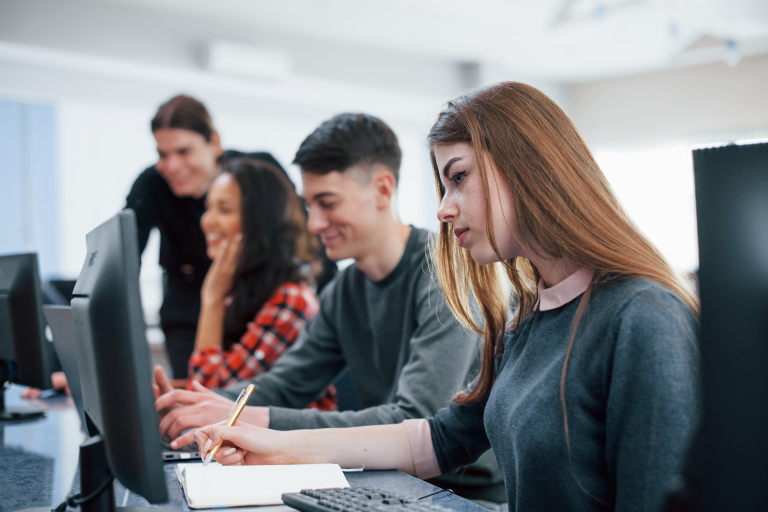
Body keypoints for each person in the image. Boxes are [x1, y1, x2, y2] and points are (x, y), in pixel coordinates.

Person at [192, 83, 701, 512]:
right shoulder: (530, 316)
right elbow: (438, 439)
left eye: (458, 178)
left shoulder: (643, 317)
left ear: (527, 168)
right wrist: (276, 449)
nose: (443, 209)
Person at [154, 113, 504, 502]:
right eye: (309, 206)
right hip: (382, 479)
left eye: (327, 203)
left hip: (459, 491)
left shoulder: (444, 271)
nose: (314, 223)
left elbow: (417, 418)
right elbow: (286, 383)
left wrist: (254, 419)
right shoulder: (345, 289)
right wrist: (206, 407)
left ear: (383, 190)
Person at [126, 95, 336, 379]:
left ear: (214, 142)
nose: (172, 166)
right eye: (163, 155)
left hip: (258, 300)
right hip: (190, 312)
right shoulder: (152, 185)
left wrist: (325, 321)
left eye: (184, 151)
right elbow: (122, 264)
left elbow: (304, 236)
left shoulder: (255, 175)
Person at [188, 157, 336, 410]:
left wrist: (211, 301)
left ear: (259, 221)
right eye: (208, 207)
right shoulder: (240, 292)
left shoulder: (291, 298)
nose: (207, 221)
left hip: (294, 444)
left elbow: (214, 395)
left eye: (224, 209)